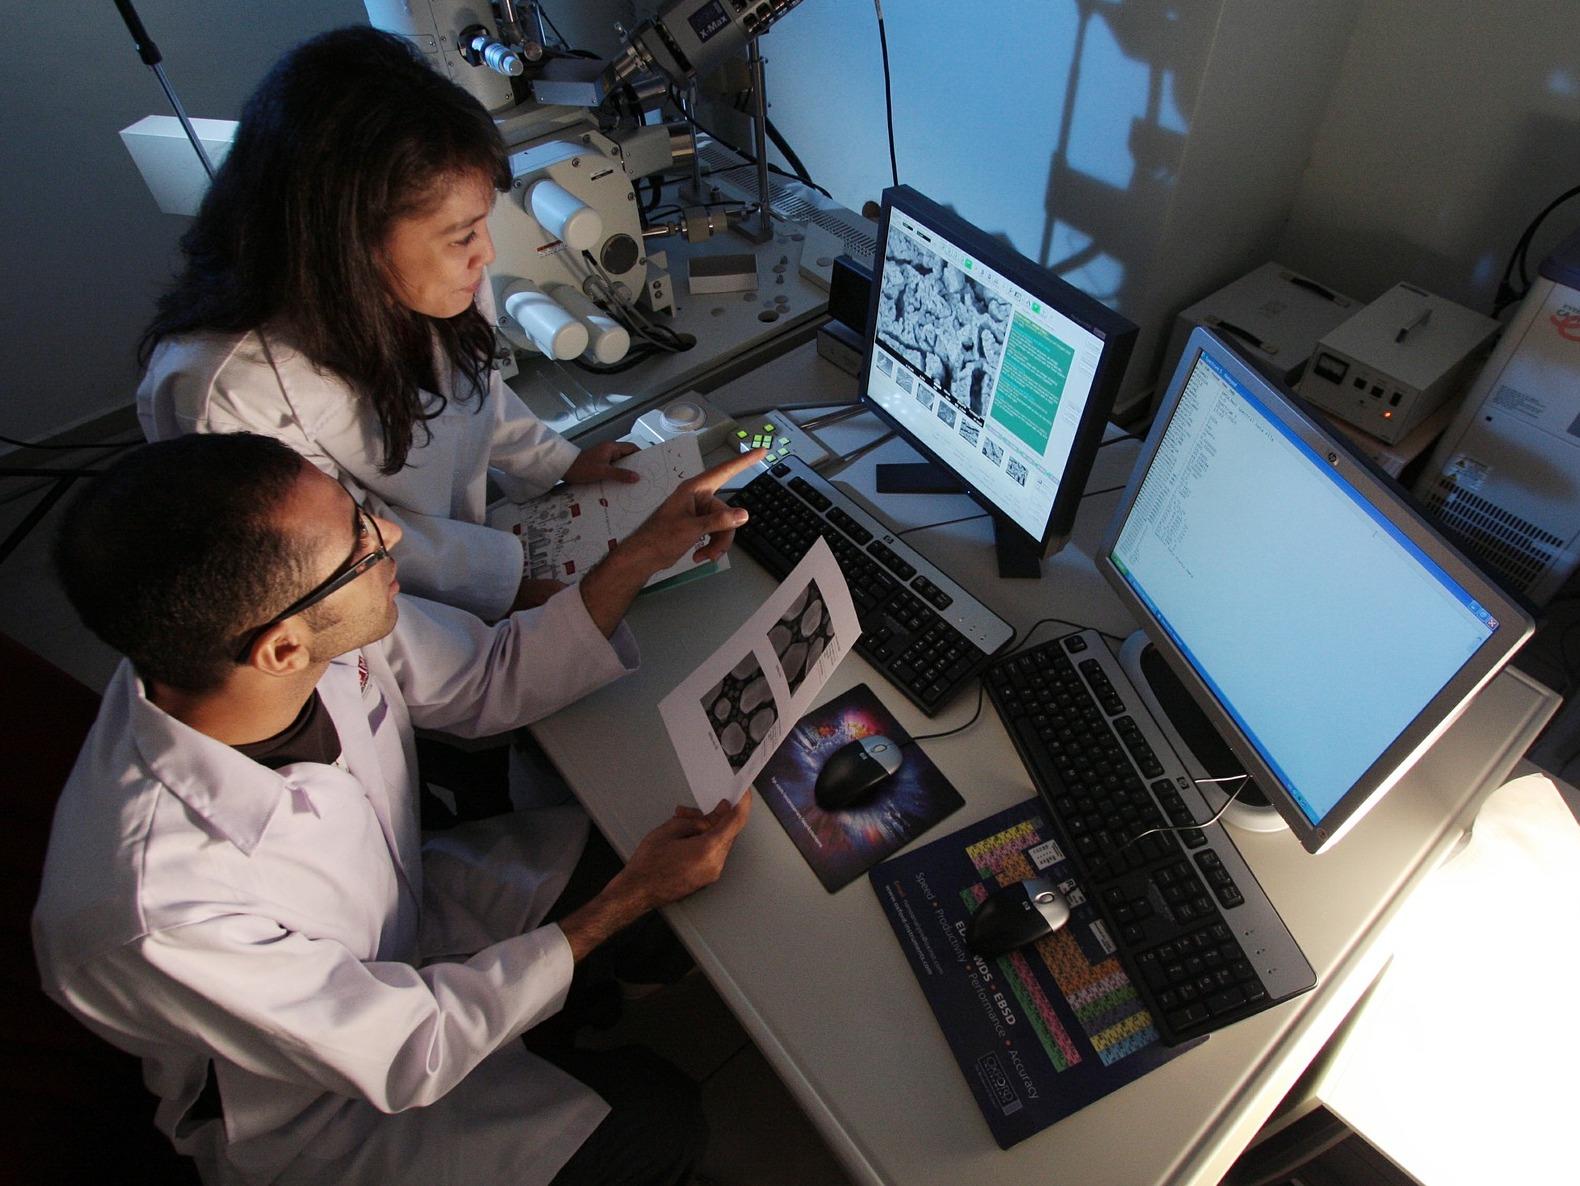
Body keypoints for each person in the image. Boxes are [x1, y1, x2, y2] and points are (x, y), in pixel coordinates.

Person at [33, 432, 763, 1186]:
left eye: (360, 514)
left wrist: (642, 550)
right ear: (281, 651)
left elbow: (489, 674)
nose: (389, 537)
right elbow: (407, 1046)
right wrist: (627, 900)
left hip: (403, 918)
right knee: (659, 1121)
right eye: (359, 546)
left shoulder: (266, 637)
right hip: (326, 1112)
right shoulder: (156, 911)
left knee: (635, 837)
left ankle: (581, 1002)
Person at [137, 25, 639, 621]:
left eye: (482, 225)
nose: (486, 257)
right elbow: (344, 545)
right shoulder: (226, 390)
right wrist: (498, 586)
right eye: (461, 237)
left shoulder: (438, 283)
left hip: (462, 561)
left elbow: (476, 397)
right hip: (368, 614)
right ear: (349, 240)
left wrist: (557, 461)